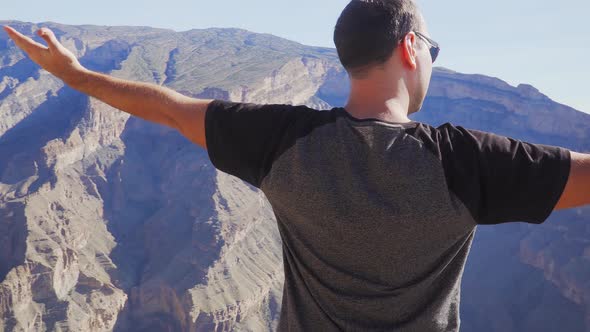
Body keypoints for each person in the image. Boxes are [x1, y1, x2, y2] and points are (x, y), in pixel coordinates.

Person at [3, 0, 588, 330]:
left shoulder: (282, 142)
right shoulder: (466, 163)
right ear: (410, 48)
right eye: (432, 50)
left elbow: (170, 109)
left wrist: (74, 76)